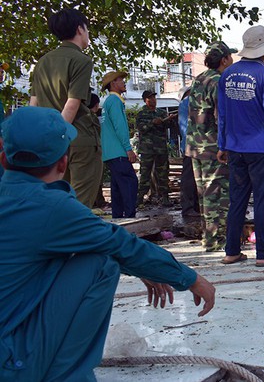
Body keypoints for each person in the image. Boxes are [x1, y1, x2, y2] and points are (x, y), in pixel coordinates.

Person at [0, 106, 216, 381]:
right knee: (101, 264)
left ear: (4, 157)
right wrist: (190, 278)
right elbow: (119, 245)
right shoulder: (50, 207)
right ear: (64, 163)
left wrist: (143, 268)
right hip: (10, 364)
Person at [217, 25, 264, 266]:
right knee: (263, 200)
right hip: (261, 148)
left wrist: (222, 144)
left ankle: (231, 251)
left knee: (237, 199)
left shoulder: (227, 75)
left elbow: (222, 114)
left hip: (235, 147)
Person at [28, 8, 102, 209]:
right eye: (87, 29)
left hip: (50, 140)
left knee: (55, 199)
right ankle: (76, 239)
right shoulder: (81, 60)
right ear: (80, 29)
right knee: (80, 204)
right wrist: (60, 136)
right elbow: (72, 104)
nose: (88, 35)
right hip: (78, 137)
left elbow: (33, 104)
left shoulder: (42, 62)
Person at [187, 41, 236, 252]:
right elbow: (222, 115)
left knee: (204, 194)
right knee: (217, 194)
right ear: (224, 59)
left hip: (195, 146)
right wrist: (224, 145)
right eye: (230, 57)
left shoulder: (198, 80)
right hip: (213, 145)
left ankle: (208, 238)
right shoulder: (219, 81)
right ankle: (217, 240)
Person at [101, 71, 139, 218]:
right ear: (113, 84)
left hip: (110, 152)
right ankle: (129, 217)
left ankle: (118, 217)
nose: (124, 82)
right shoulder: (116, 102)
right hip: (118, 151)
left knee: (117, 186)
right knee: (130, 182)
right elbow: (120, 127)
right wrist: (128, 148)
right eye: (120, 80)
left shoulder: (108, 101)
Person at [136, 90, 176, 207]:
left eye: (154, 98)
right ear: (145, 100)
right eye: (150, 98)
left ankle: (165, 197)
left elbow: (170, 126)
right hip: (147, 149)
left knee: (163, 173)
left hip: (160, 148)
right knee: (145, 174)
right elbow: (141, 128)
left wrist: (170, 120)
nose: (153, 100)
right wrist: (152, 123)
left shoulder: (161, 113)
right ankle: (140, 197)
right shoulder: (142, 114)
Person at [177, 86, 200, 217]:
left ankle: (194, 206)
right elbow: (185, 126)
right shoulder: (188, 102)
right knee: (190, 178)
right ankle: (189, 207)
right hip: (193, 146)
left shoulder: (187, 103)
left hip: (192, 145)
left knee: (193, 178)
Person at [88, 92, 108, 209]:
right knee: (96, 177)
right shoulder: (94, 118)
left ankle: (96, 201)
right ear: (96, 105)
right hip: (94, 150)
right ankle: (97, 201)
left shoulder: (80, 116)